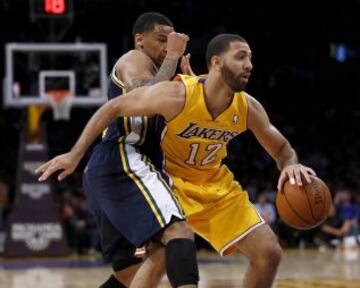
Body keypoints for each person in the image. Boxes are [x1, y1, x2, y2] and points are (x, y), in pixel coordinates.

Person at [37, 33, 316, 288]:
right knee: (147, 265)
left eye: (251, 58)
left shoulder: (248, 107)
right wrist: (75, 154)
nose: (249, 64)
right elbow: (115, 106)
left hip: (216, 187)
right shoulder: (178, 94)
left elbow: (282, 149)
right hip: (169, 182)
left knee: (269, 253)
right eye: (241, 56)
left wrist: (290, 163)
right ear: (217, 62)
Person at [39, 12, 199, 288]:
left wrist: (192, 89)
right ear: (139, 40)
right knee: (178, 231)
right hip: (125, 159)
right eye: (161, 40)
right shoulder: (134, 59)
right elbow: (145, 94)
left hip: (109, 170)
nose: (166, 46)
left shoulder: (167, 78)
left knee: (130, 274)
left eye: (171, 41)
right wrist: (173, 58)